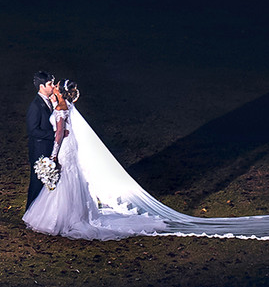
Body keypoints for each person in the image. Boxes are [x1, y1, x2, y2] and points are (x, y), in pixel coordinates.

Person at [23, 79, 167, 240]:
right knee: (70, 176)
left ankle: (61, 218)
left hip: (64, 146)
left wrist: (54, 155)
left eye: (56, 87)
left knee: (64, 178)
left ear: (60, 92)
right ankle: (75, 214)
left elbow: (59, 134)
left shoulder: (60, 109)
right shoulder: (67, 105)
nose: (54, 88)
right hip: (71, 146)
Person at [25, 71, 56, 209]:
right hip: (39, 150)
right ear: (42, 86)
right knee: (36, 184)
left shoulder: (49, 101)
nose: (53, 86)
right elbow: (32, 130)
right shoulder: (35, 106)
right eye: (50, 84)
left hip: (48, 148)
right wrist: (54, 134)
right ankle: (30, 210)